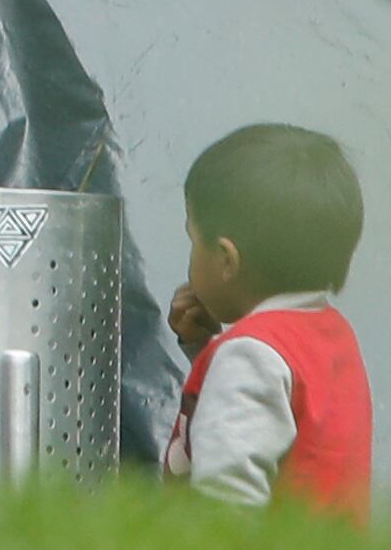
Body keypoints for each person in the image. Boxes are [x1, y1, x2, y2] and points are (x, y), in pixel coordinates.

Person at [160, 123, 373, 520]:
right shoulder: (329, 333)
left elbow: (227, 498)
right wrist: (205, 351)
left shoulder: (248, 357)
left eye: (193, 238)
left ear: (227, 259)